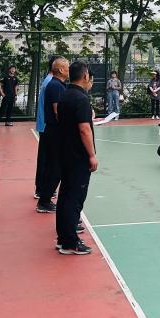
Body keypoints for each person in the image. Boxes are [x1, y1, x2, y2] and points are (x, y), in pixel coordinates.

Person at [55, 61, 97, 255]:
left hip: (65, 152)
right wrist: (92, 155)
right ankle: (70, 242)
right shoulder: (81, 99)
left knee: (65, 195)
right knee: (74, 198)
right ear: (85, 76)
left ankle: (63, 238)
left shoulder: (65, 95)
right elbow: (84, 129)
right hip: (78, 155)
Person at [36, 57, 69, 213]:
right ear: (61, 70)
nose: (69, 69)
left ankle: (45, 198)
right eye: (67, 67)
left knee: (54, 166)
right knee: (55, 167)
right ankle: (44, 200)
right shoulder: (55, 86)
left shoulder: (57, 85)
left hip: (53, 130)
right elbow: (58, 111)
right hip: (55, 131)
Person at [34, 55, 62, 199]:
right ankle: (42, 189)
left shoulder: (49, 81)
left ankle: (42, 188)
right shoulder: (52, 82)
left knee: (46, 158)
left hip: (44, 124)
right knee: (47, 159)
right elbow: (56, 109)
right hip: (47, 125)